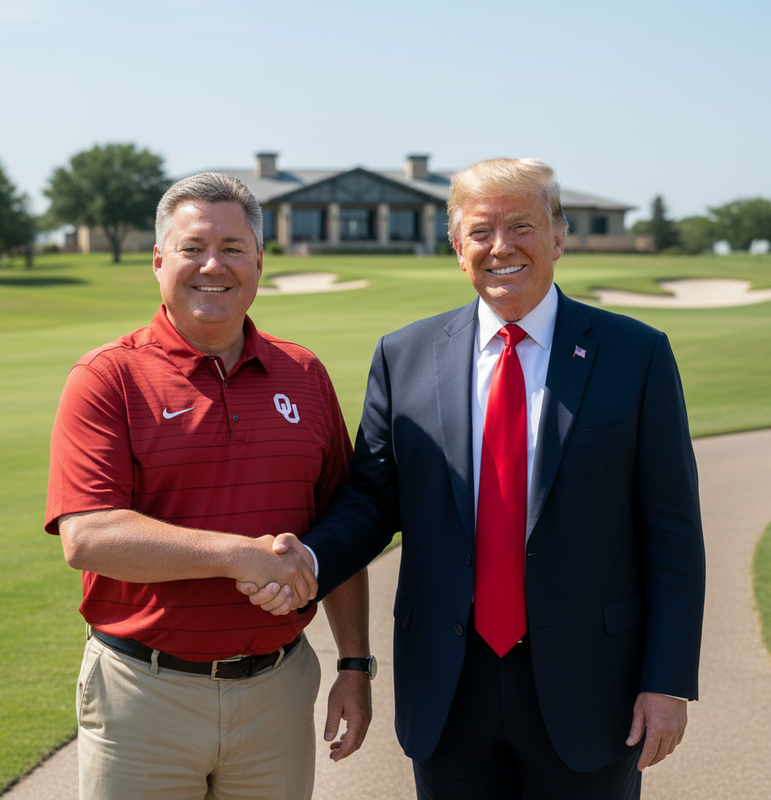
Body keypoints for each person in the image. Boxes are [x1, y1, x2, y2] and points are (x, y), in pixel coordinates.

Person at [244, 158, 706, 799]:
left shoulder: (636, 353)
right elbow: (373, 499)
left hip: (590, 683)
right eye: (481, 232)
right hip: (448, 684)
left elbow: (672, 531)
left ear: (558, 236)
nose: (501, 247)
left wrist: (669, 680)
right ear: (457, 247)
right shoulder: (403, 355)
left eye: (522, 226)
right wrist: (311, 560)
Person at [45, 172, 372, 800]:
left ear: (258, 261)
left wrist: (354, 664)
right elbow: (87, 537)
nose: (213, 265)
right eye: (192, 248)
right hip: (144, 695)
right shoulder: (107, 377)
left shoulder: (304, 373)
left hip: (278, 692)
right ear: (158, 260)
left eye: (233, 248)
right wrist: (240, 556)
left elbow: (342, 527)